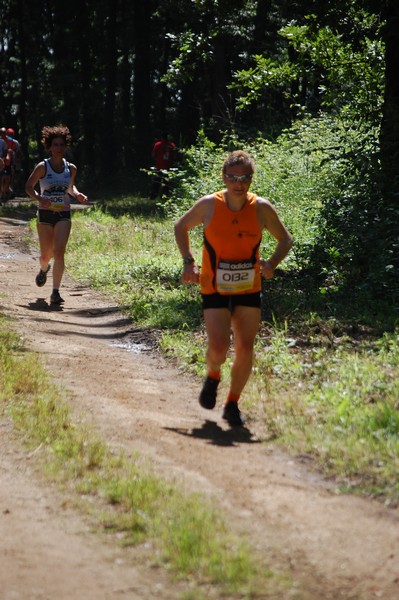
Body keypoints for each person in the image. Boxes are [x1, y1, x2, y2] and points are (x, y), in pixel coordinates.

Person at [174, 150, 292, 426]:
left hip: (248, 286)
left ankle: (232, 403)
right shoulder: (209, 205)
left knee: (245, 346)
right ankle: (213, 374)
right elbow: (181, 226)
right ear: (224, 177)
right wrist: (188, 262)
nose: (239, 183)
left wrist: (272, 263)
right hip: (213, 285)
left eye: (245, 178)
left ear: (251, 179)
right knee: (218, 347)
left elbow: (285, 239)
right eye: (233, 177)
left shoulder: (261, 207)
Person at [25, 124, 88, 305]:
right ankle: (44, 269)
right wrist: (39, 198)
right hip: (45, 214)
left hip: (63, 214)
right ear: (50, 146)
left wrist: (77, 194)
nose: (59, 148)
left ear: (65, 146)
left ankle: (55, 292)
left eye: (62, 145)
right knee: (46, 254)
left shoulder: (71, 168)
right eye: (56, 145)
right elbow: (29, 187)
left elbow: (70, 187)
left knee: (59, 252)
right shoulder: (42, 167)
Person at [150, 132, 176, 199]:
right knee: (166, 184)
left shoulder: (158, 144)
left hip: (159, 167)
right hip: (168, 167)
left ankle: (153, 196)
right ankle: (164, 197)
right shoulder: (172, 145)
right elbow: (174, 156)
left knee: (156, 183)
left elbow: (153, 155)